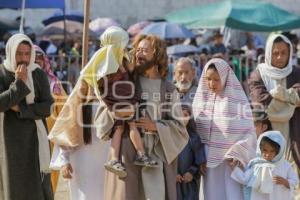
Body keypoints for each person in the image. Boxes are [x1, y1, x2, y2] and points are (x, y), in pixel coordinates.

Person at [103, 34, 189, 200]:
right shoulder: (125, 82)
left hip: (156, 156)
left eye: (144, 50)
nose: (138, 54)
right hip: (127, 153)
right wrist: (117, 113)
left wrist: (156, 126)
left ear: (156, 55)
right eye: (138, 50)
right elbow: (104, 109)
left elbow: (179, 128)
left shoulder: (169, 89)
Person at [192, 58, 257, 200]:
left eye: (216, 79)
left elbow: (248, 131)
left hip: (230, 161)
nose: (211, 84)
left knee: (232, 193)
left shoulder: (238, 101)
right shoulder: (200, 101)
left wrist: (239, 152)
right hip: (208, 159)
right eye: (208, 79)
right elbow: (196, 133)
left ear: (225, 78)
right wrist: (200, 158)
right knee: (212, 193)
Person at [0, 33, 54, 200]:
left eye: (26, 53)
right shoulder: (2, 72)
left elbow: (48, 107)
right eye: (18, 53)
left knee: (37, 185)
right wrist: (19, 84)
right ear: (10, 52)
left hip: (34, 139)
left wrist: (21, 109)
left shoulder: (38, 74)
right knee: (13, 186)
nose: (23, 58)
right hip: (9, 140)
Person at [248, 34, 300, 170]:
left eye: (284, 53)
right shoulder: (258, 75)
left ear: (290, 53)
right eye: (275, 53)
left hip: (294, 134)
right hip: (268, 138)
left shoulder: (296, 73)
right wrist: (292, 101)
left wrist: (280, 93)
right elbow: (262, 104)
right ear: (268, 53)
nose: (280, 57)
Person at [34, 44, 68, 193]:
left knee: (50, 176)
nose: (37, 60)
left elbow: (66, 109)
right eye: (33, 57)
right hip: (28, 135)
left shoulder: (55, 84)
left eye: (40, 57)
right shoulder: (19, 81)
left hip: (51, 136)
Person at [231, 130, 299, 200]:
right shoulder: (256, 164)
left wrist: (286, 182)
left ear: (278, 151)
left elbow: (295, 181)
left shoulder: (285, 165)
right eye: (265, 150)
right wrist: (235, 168)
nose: (268, 154)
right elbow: (245, 179)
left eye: (272, 151)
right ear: (260, 149)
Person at [176, 105, 206, 200]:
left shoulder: (194, 138)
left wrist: (191, 172)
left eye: (185, 115)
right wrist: (172, 174)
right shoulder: (169, 136)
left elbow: (199, 161)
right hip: (173, 182)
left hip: (189, 182)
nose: (182, 118)